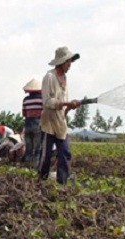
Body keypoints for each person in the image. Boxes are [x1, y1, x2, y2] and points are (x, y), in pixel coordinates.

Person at [38, 46, 81, 184]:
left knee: (65, 152)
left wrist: (69, 107)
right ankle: (41, 180)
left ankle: (62, 182)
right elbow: (47, 101)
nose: (70, 65)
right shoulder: (49, 77)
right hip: (49, 122)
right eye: (68, 62)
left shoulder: (65, 79)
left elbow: (63, 107)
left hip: (60, 122)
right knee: (46, 155)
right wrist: (66, 103)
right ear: (61, 62)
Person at [21, 79, 43, 168]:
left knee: (28, 148)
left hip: (27, 124)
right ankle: (35, 167)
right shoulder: (42, 99)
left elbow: (24, 114)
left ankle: (27, 166)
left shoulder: (25, 100)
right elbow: (45, 112)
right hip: (37, 124)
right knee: (37, 148)